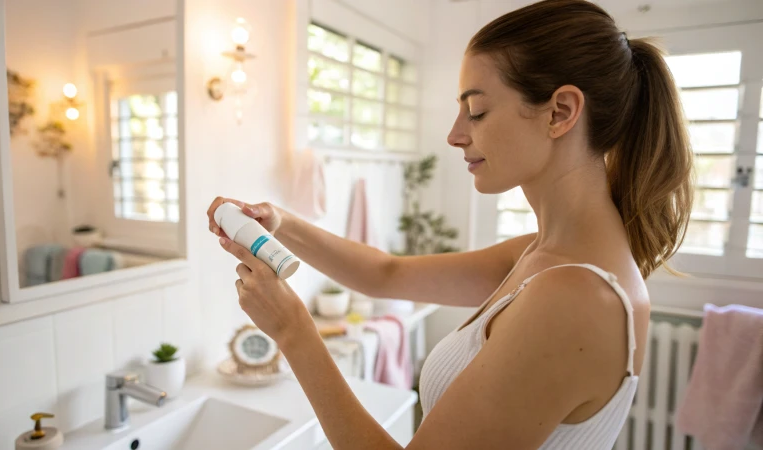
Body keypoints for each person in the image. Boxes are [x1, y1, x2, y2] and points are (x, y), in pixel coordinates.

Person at [206, 0, 693, 447]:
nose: (455, 135)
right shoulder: (545, 253)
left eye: (477, 110)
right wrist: (282, 224)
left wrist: (293, 330)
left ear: (560, 112)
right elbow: (386, 274)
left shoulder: (576, 296)